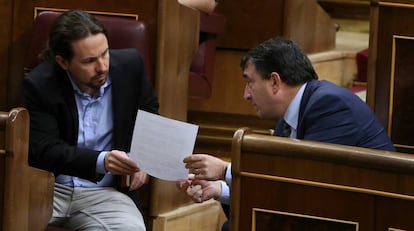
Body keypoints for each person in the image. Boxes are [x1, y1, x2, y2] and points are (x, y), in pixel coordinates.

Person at [177, 36, 395, 230]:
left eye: (250, 82)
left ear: (274, 81)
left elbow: (303, 184)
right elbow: (279, 189)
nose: (246, 95)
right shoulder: (287, 119)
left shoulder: (329, 105)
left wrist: (225, 170)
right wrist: (218, 190)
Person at [21, 10, 159, 231]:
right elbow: (45, 150)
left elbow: (149, 110)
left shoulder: (130, 66)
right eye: (90, 61)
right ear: (63, 62)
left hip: (104, 194)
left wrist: (144, 157)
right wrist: (102, 161)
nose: (102, 66)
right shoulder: (40, 85)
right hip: (48, 191)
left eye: (105, 54)